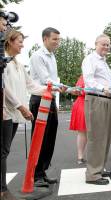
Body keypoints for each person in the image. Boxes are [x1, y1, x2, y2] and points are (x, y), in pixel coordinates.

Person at [29, 27, 65, 186]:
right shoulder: (38, 56)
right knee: (39, 138)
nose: (57, 42)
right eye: (54, 39)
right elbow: (46, 80)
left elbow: (52, 80)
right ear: (45, 39)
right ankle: (35, 175)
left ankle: (42, 172)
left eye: (59, 39)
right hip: (39, 99)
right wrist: (63, 86)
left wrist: (60, 87)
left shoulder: (52, 56)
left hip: (49, 99)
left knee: (50, 137)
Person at [1, 16, 31, 200]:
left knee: (4, 151)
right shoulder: (3, 62)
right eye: (19, 42)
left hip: (11, 113)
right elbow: (6, 89)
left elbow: (31, 84)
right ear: (10, 42)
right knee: (2, 152)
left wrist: (51, 88)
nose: (22, 45)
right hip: (6, 112)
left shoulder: (18, 64)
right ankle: (3, 190)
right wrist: (21, 107)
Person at [82, 34, 111, 185]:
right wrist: (103, 88)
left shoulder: (104, 62)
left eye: (108, 45)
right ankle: (93, 174)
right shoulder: (90, 59)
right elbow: (88, 80)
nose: (106, 47)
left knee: (105, 138)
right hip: (97, 99)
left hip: (107, 100)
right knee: (96, 137)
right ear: (96, 44)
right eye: (104, 44)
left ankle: (99, 168)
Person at [69, 75, 87, 165]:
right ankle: (80, 156)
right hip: (82, 103)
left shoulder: (83, 76)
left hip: (84, 103)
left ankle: (81, 156)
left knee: (82, 132)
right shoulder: (83, 77)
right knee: (82, 131)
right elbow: (76, 91)